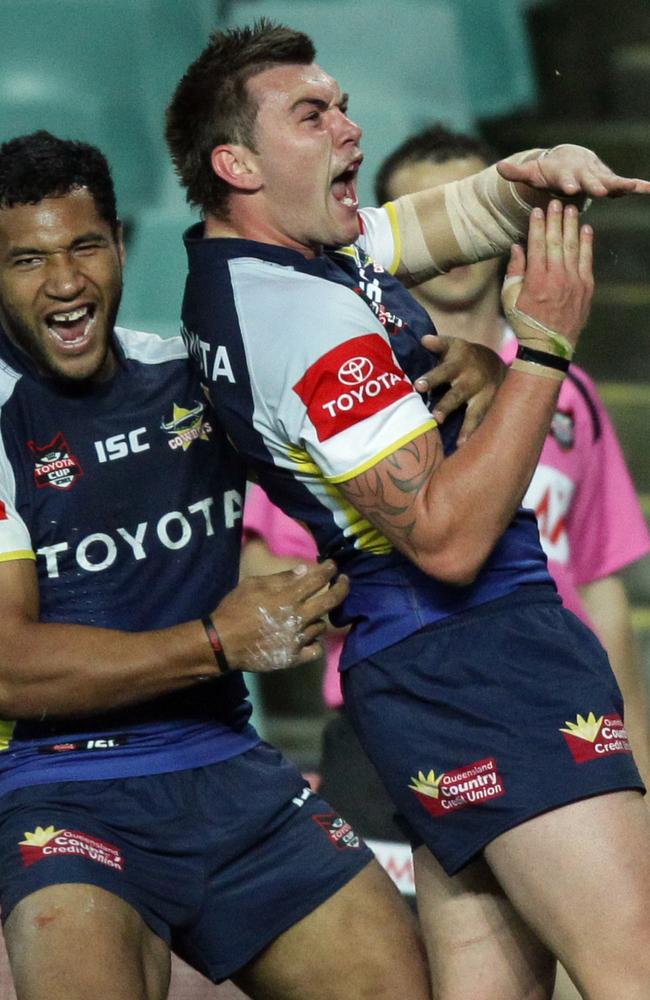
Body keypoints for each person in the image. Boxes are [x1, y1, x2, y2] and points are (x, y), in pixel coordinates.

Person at [165, 21, 650, 1000]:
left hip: (420, 669)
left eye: (342, 103)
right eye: (313, 115)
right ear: (237, 162)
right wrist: (540, 353)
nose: (349, 129)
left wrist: (525, 177)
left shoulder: (285, 260)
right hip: (476, 655)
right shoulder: (299, 319)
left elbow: (433, 223)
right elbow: (446, 537)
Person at [0, 131, 433, 1000]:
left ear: (122, 243)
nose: (65, 280)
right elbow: (7, 668)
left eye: (85, 245)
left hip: (228, 764)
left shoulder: (190, 373)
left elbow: (349, 350)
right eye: (26, 259)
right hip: (60, 789)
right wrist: (214, 640)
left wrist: (471, 369)